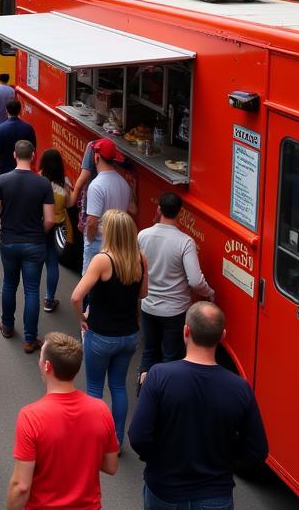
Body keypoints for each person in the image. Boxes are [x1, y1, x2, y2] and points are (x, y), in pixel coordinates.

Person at [128, 302, 268, 510]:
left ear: (185, 332)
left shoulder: (159, 376)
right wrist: (224, 464)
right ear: (222, 337)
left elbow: (138, 437)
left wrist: (159, 459)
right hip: (215, 497)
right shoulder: (240, 388)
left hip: (164, 492)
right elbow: (257, 451)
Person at [0, 332, 119, 510]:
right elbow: (111, 466)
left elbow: (21, 486)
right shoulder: (101, 409)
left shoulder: (31, 416)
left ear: (47, 366)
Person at [71, 210, 148, 449]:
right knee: (118, 386)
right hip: (128, 335)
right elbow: (143, 294)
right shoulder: (139, 258)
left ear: (111, 232)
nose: (101, 228)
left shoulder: (102, 260)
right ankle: (116, 439)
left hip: (101, 335)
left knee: (94, 387)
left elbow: (76, 296)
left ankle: (94, 438)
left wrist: (81, 318)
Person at [137, 191, 214, 390]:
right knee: (170, 359)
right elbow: (196, 281)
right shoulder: (185, 242)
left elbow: (137, 269)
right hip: (175, 312)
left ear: (159, 209)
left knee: (149, 353)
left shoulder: (142, 236)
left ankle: (144, 393)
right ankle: (164, 398)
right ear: (179, 213)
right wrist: (209, 292)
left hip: (148, 307)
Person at [0, 140, 56, 354]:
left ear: (14, 154)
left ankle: (7, 326)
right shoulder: (43, 184)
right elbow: (49, 220)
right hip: (34, 243)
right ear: (34, 156)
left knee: (9, 283)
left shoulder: (2, 180)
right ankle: (29, 339)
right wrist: (39, 233)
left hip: (9, 241)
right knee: (31, 290)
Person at [82, 139, 137, 274]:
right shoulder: (123, 183)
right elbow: (133, 209)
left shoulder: (96, 186)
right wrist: (134, 189)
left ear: (97, 157)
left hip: (99, 243)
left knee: (90, 286)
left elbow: (92, 221)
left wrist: (90, 240)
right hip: (117, 244)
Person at [38, 148, 72, 313]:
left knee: (35, 262)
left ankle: (32, 291)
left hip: (38, 225)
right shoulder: (63, 186)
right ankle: (49, 299)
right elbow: (71, 203)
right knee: (52, 263)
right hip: (56, 226)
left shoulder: (38, 180)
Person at [0, 99, 36, 179]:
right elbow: (33, 149)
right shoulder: (29, 128)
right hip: (24, 170)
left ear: (6, 111)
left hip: (4, 170)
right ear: (20, 110)